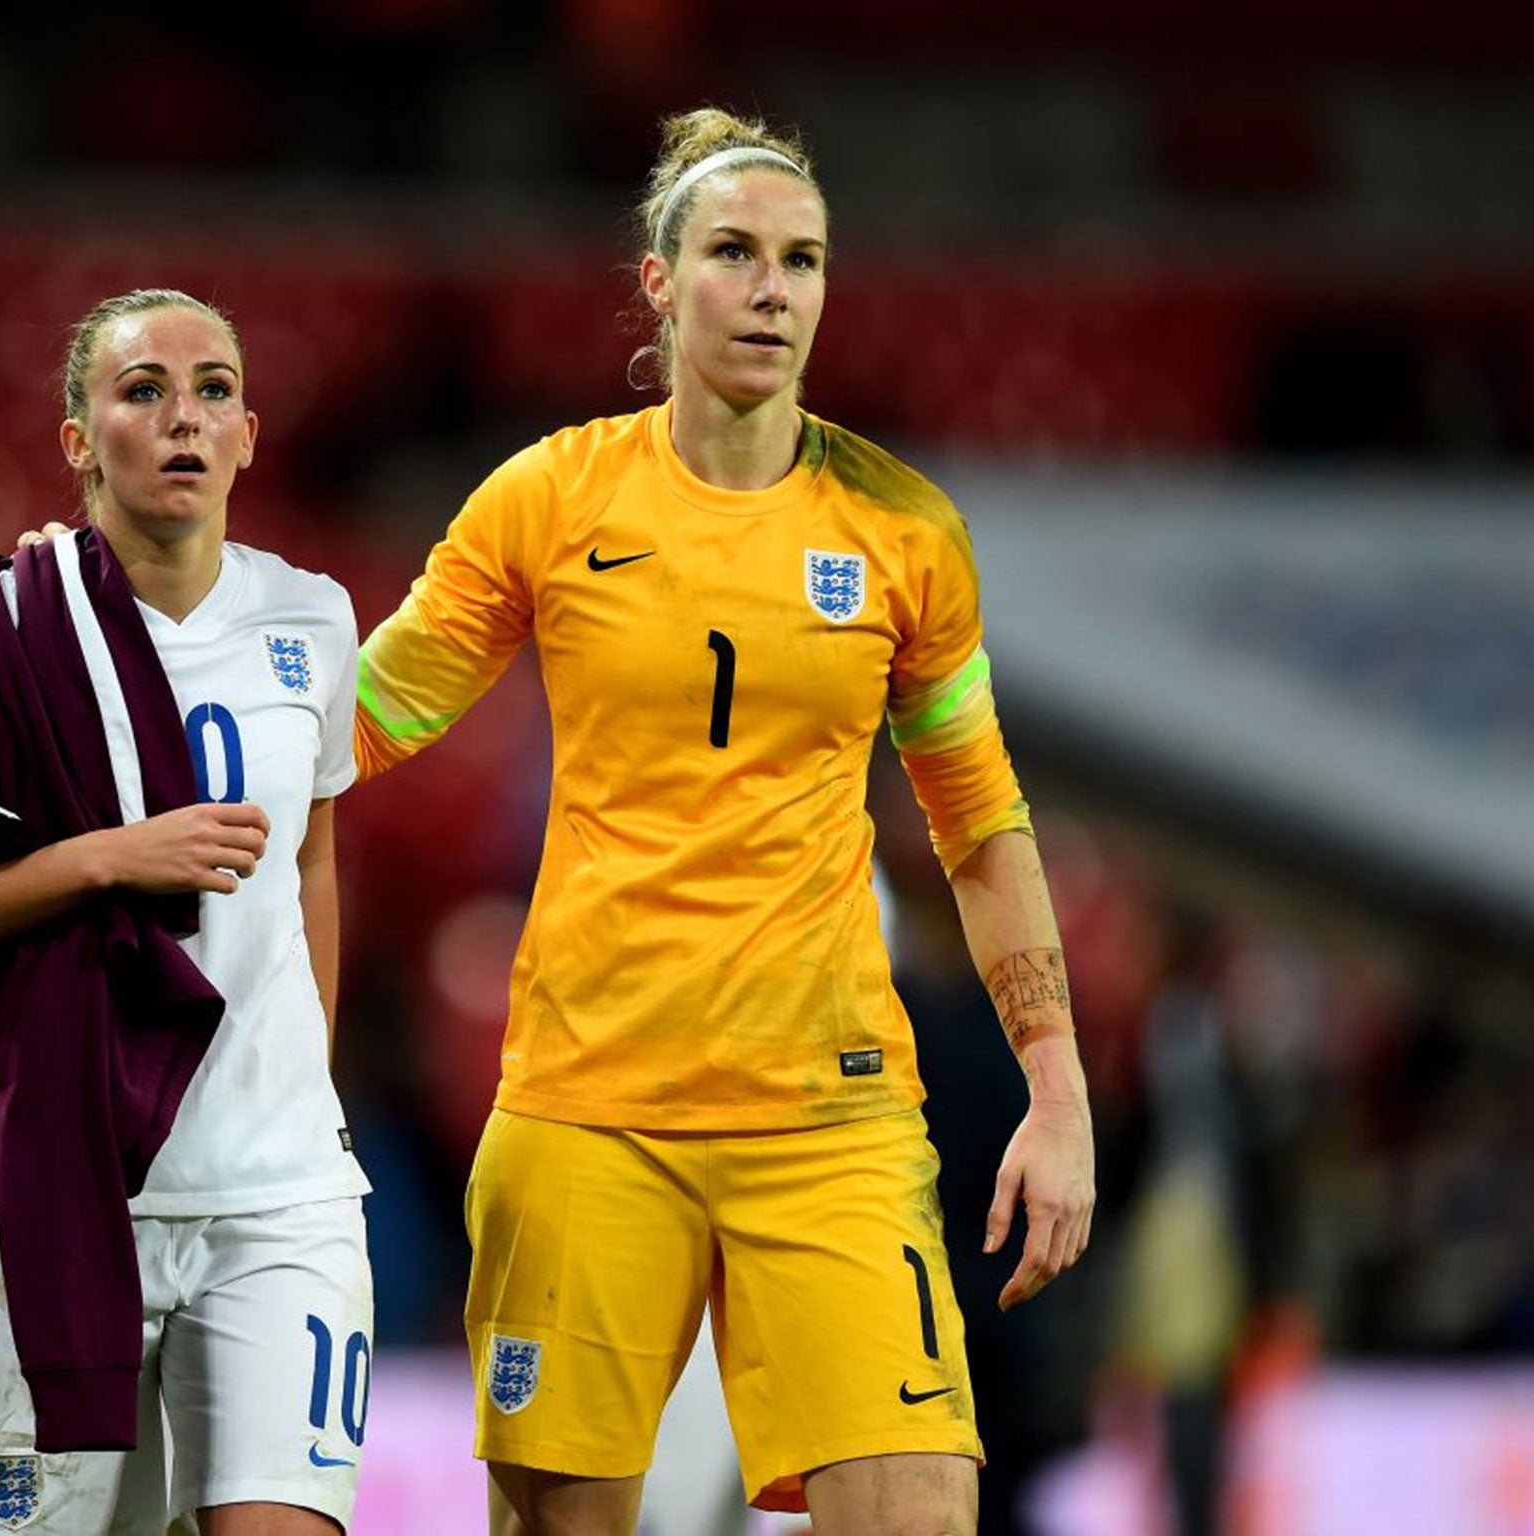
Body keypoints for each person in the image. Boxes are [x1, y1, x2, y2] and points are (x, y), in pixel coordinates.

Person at [352, 108, 1097, 1536]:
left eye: (802, 260)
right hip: (589, 1109)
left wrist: (1055, 1094)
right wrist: (168, 698)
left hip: (829, 1119)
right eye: (736, 253)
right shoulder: (550, 499)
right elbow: (367, 719)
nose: (772, 289)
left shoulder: (904, 530)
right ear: (658, 279)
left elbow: (983, 824)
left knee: (922, 1510)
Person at [0, 289, 373, 1536]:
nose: (183, 418)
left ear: (250, 435)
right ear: (76, 437)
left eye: (213, 390)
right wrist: (103, 859)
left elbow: (311, 863)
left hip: (276, 1191)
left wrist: (304, 1085)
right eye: (142, 391)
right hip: (52, 1185)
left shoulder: (314, 620)